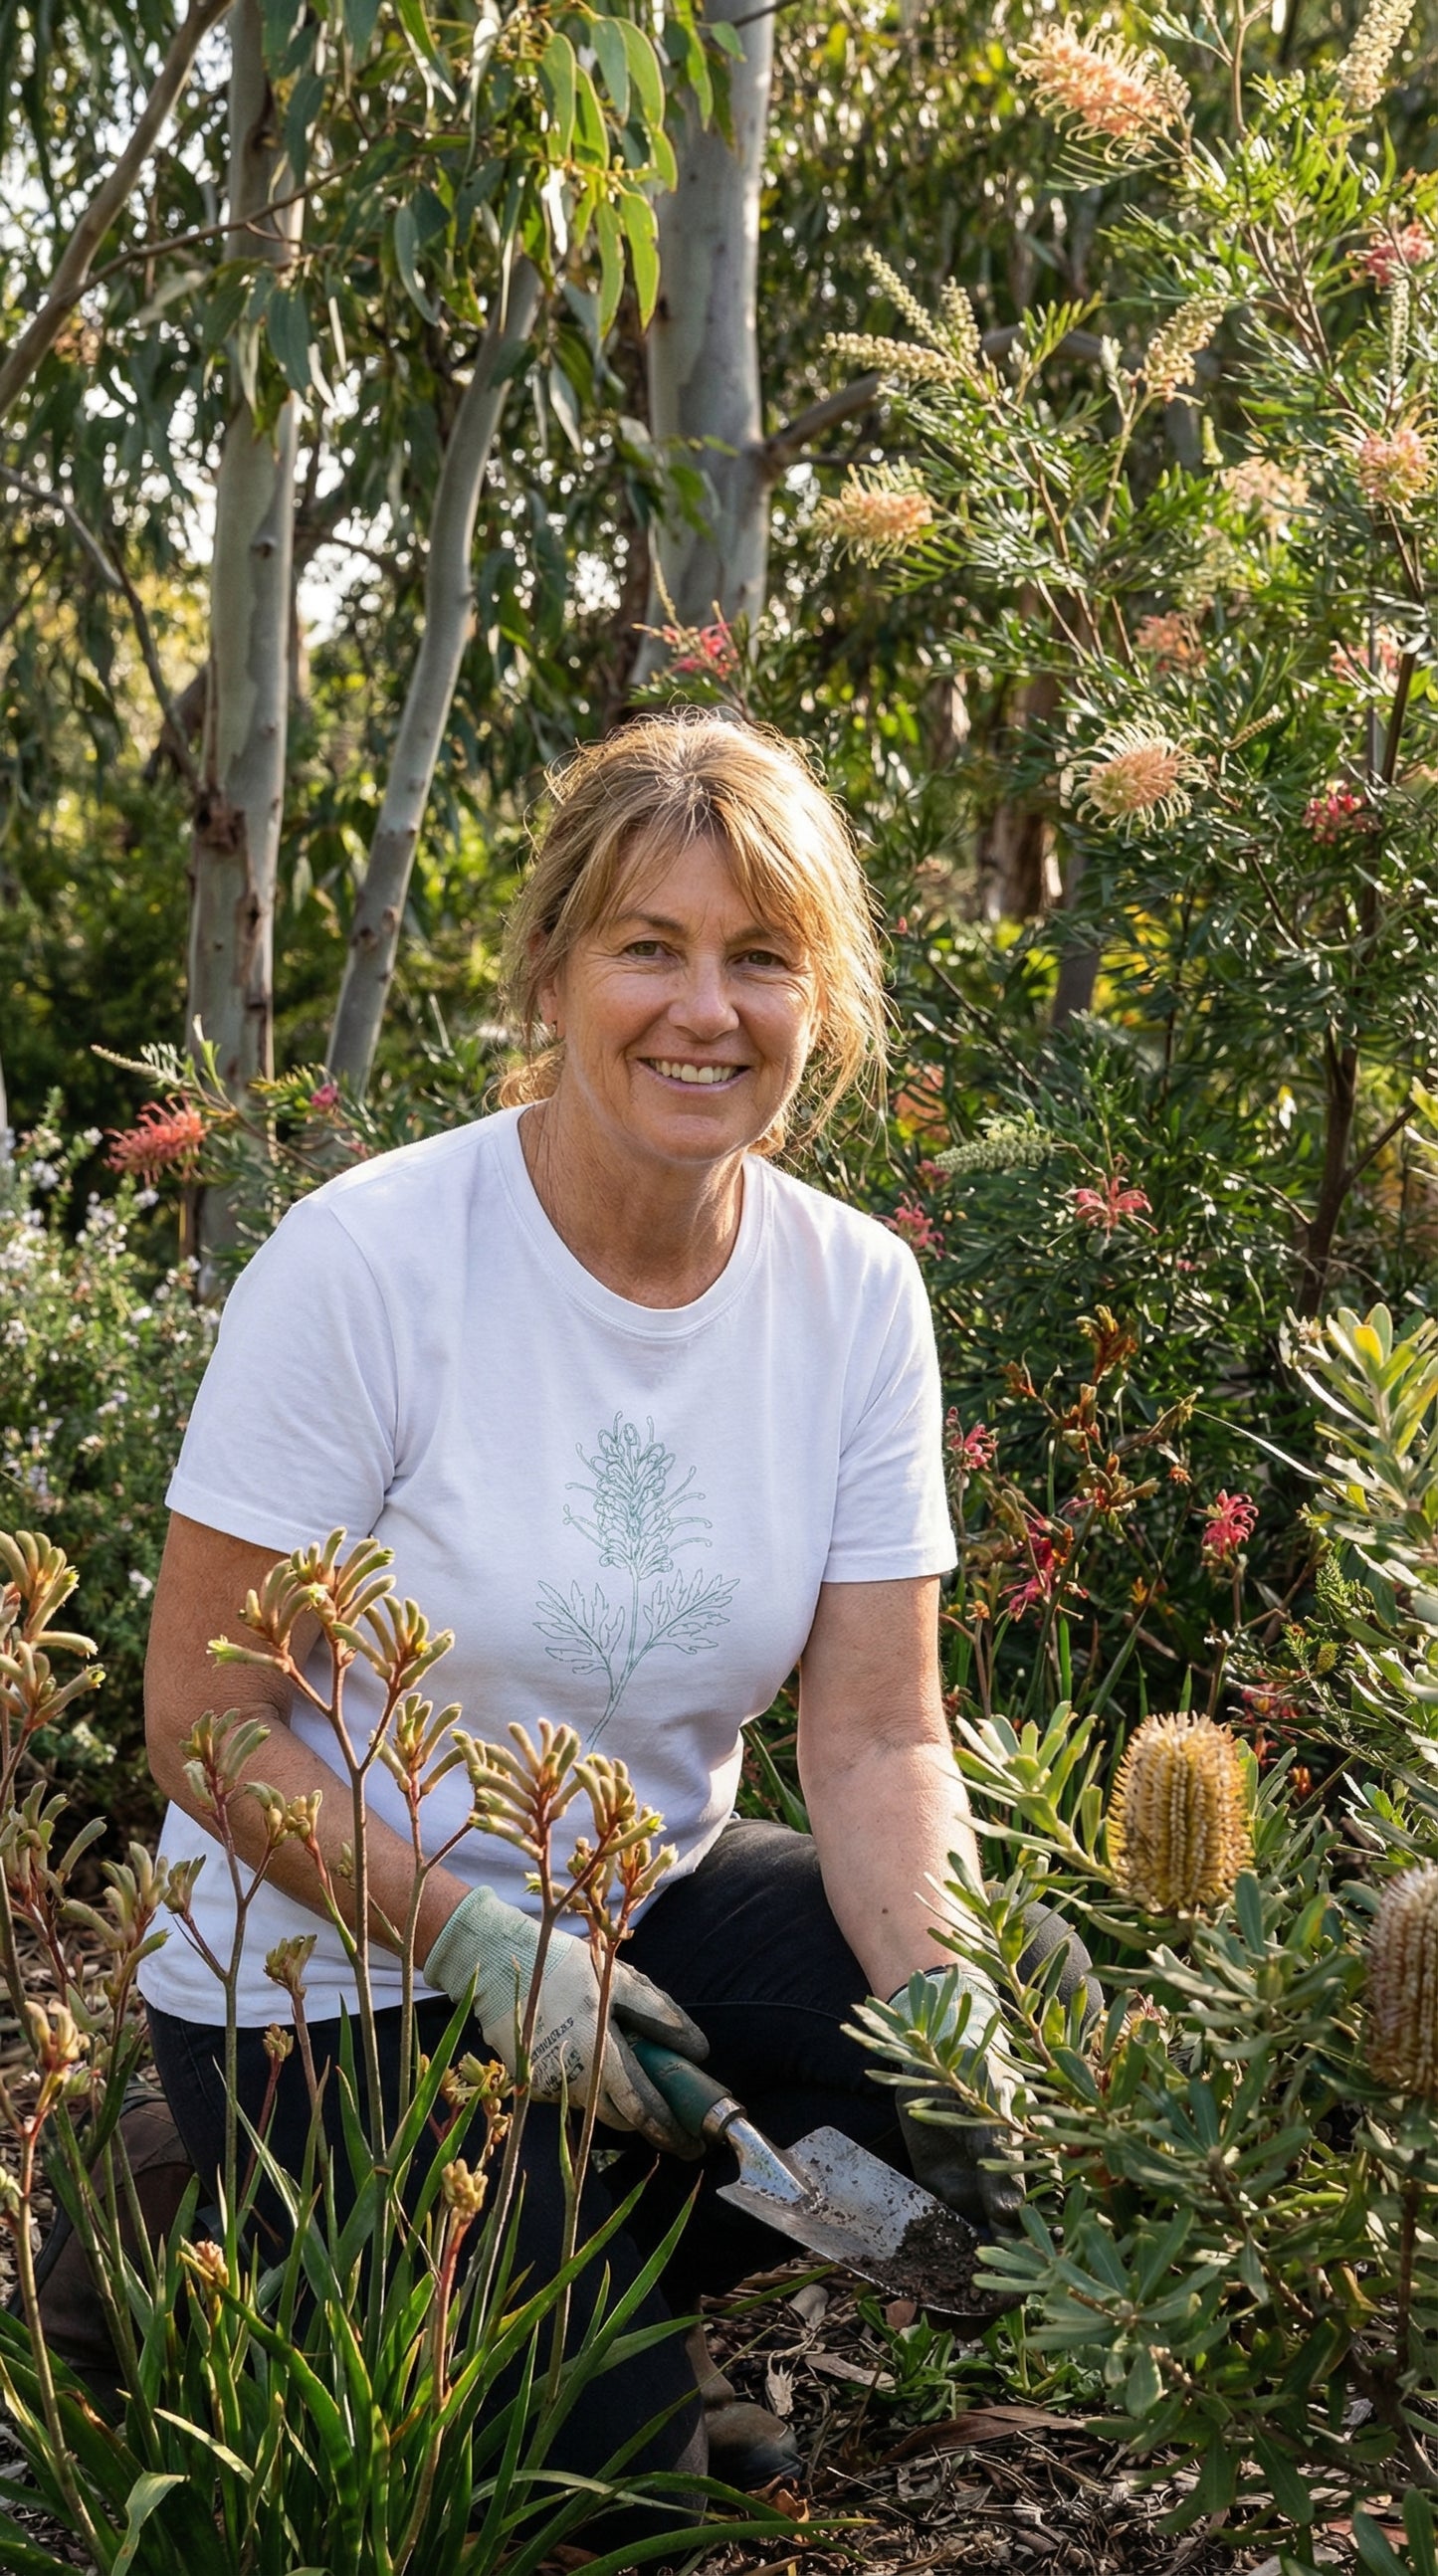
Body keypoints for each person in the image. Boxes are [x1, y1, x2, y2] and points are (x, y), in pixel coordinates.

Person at [138, 712, 1095, 2497]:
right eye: (648, 947)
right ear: (555, 970)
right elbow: (202, 1716)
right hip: (330, 1976)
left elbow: (879, 1727)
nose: (701, 1010)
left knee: (1012, 2006)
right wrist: (474, 1943)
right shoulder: (367, 1267)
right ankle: (244, 2233)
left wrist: (944, 2001)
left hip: (643, 1909)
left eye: (758, 958)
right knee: (622, 2497)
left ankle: (567, 2265)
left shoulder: (854, 1294)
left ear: (821, 998)